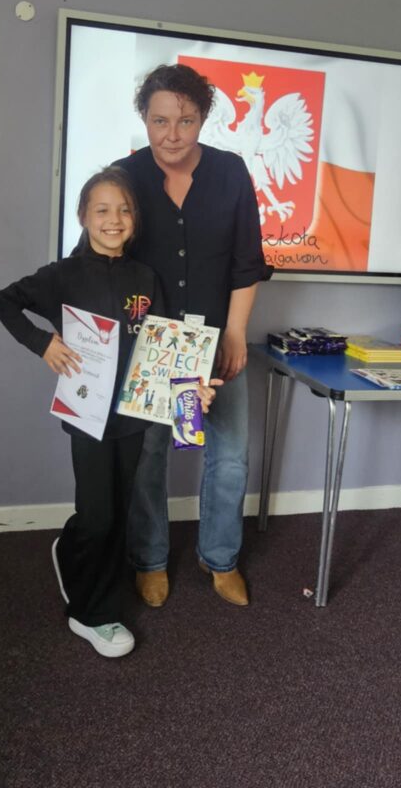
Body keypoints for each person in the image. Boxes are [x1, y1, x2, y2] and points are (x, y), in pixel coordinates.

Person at [0, 166, 216, 657]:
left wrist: (192, 392)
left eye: (123, 210)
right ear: (83, 216)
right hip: (87, 414)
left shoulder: (146, 278)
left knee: (116, 511)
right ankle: (92, 615)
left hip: (133, 415)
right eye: (102, 210)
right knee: (99, 515)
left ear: (134, 218)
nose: (114, 220)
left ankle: (74, 552)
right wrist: (42, 343)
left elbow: (166, 348)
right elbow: (4, 302)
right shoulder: (63, 276)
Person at [114, 64, 272, 608]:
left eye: (185, 121)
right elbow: (107, 260)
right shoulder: (125, 176)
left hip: (218, 338)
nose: (172, 135)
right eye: (160, 121)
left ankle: (220, 558)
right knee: (149, 456)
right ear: (144, 117)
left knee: (229, 456)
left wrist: (236, 333)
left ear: (203, 118)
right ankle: (150, 560)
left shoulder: (230, 172)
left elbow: (247, 261)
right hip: (151, 344)